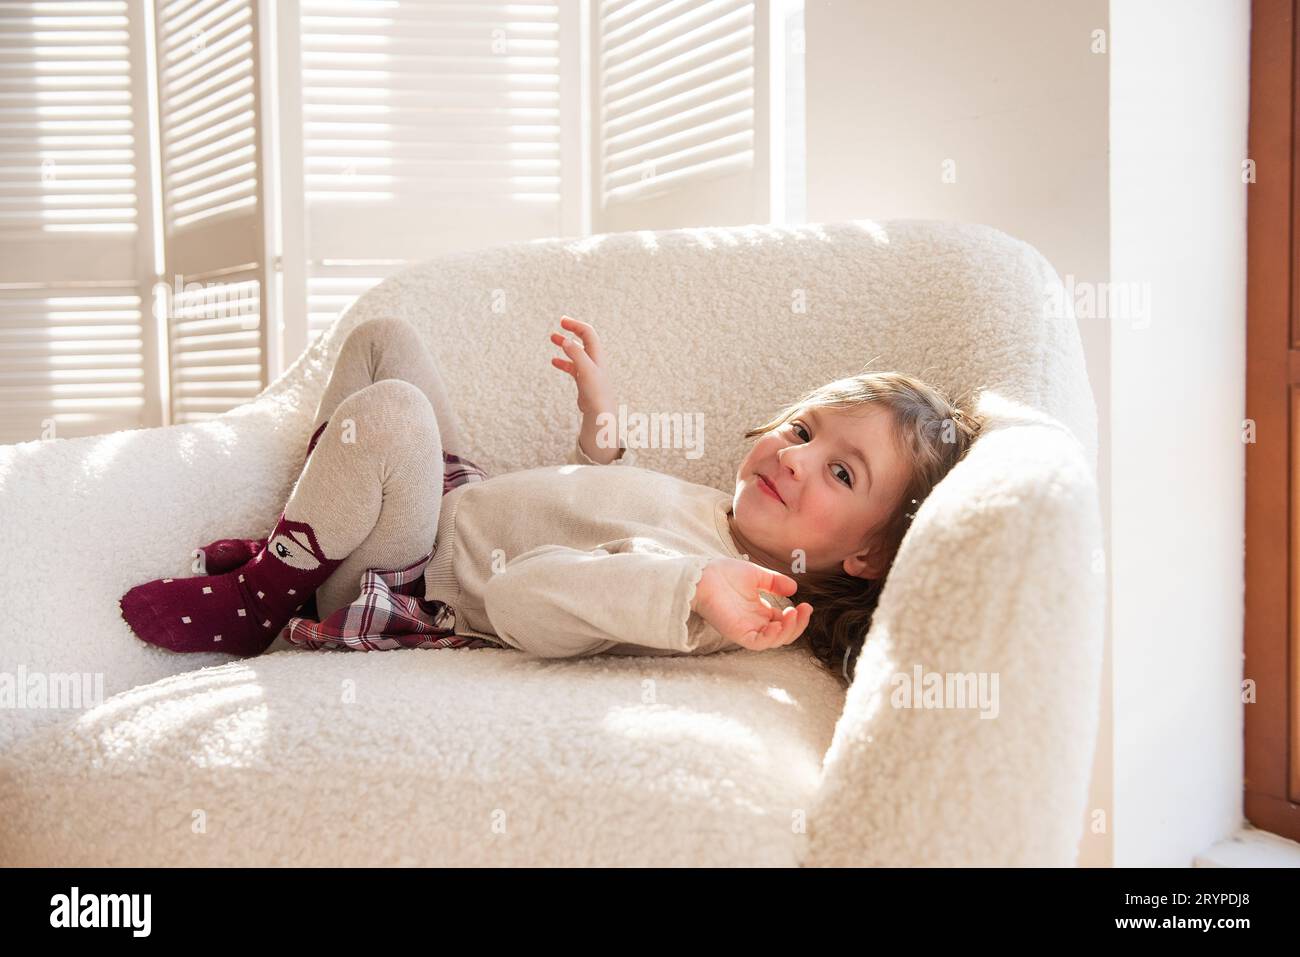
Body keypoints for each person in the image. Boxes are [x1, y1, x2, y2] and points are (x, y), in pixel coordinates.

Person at [119, 315, 982, 683]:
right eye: (803, 431)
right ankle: (303, 541)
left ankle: (265, 600)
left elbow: (526, 596)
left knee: (392, 415)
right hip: (456, 500)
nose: (797, 458)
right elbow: (598, 510)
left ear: (867, 556)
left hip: (415, 579)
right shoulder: (715, 519)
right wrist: (599, 434)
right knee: (386, 341)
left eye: (841, 473)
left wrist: (689, 590)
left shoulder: (709, 596)